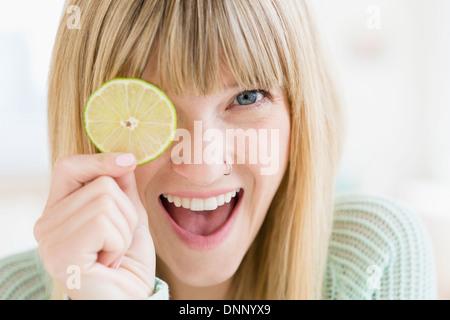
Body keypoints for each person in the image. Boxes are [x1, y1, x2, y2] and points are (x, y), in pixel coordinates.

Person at [0, 0, 436, 300]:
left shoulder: (373, 255)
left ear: (300, 114)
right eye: (150, 105)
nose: (204, 167)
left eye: (246, 98)